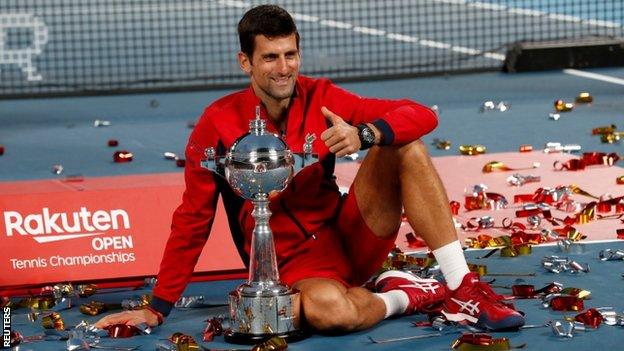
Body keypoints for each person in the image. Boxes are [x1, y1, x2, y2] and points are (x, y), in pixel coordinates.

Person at [95, 4, 524, 332]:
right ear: (245, 62)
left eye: (290, 54)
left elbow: (421, 115)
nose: (284, 69)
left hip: (349, 234)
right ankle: (406, 296)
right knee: (330, 313)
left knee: (404, 145)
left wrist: (366, 135)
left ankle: (461, 286)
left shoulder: (321, 96)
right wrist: (158, 306)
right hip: (290, 264)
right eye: (270, 58)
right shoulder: (217, 122)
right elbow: (193, 218)